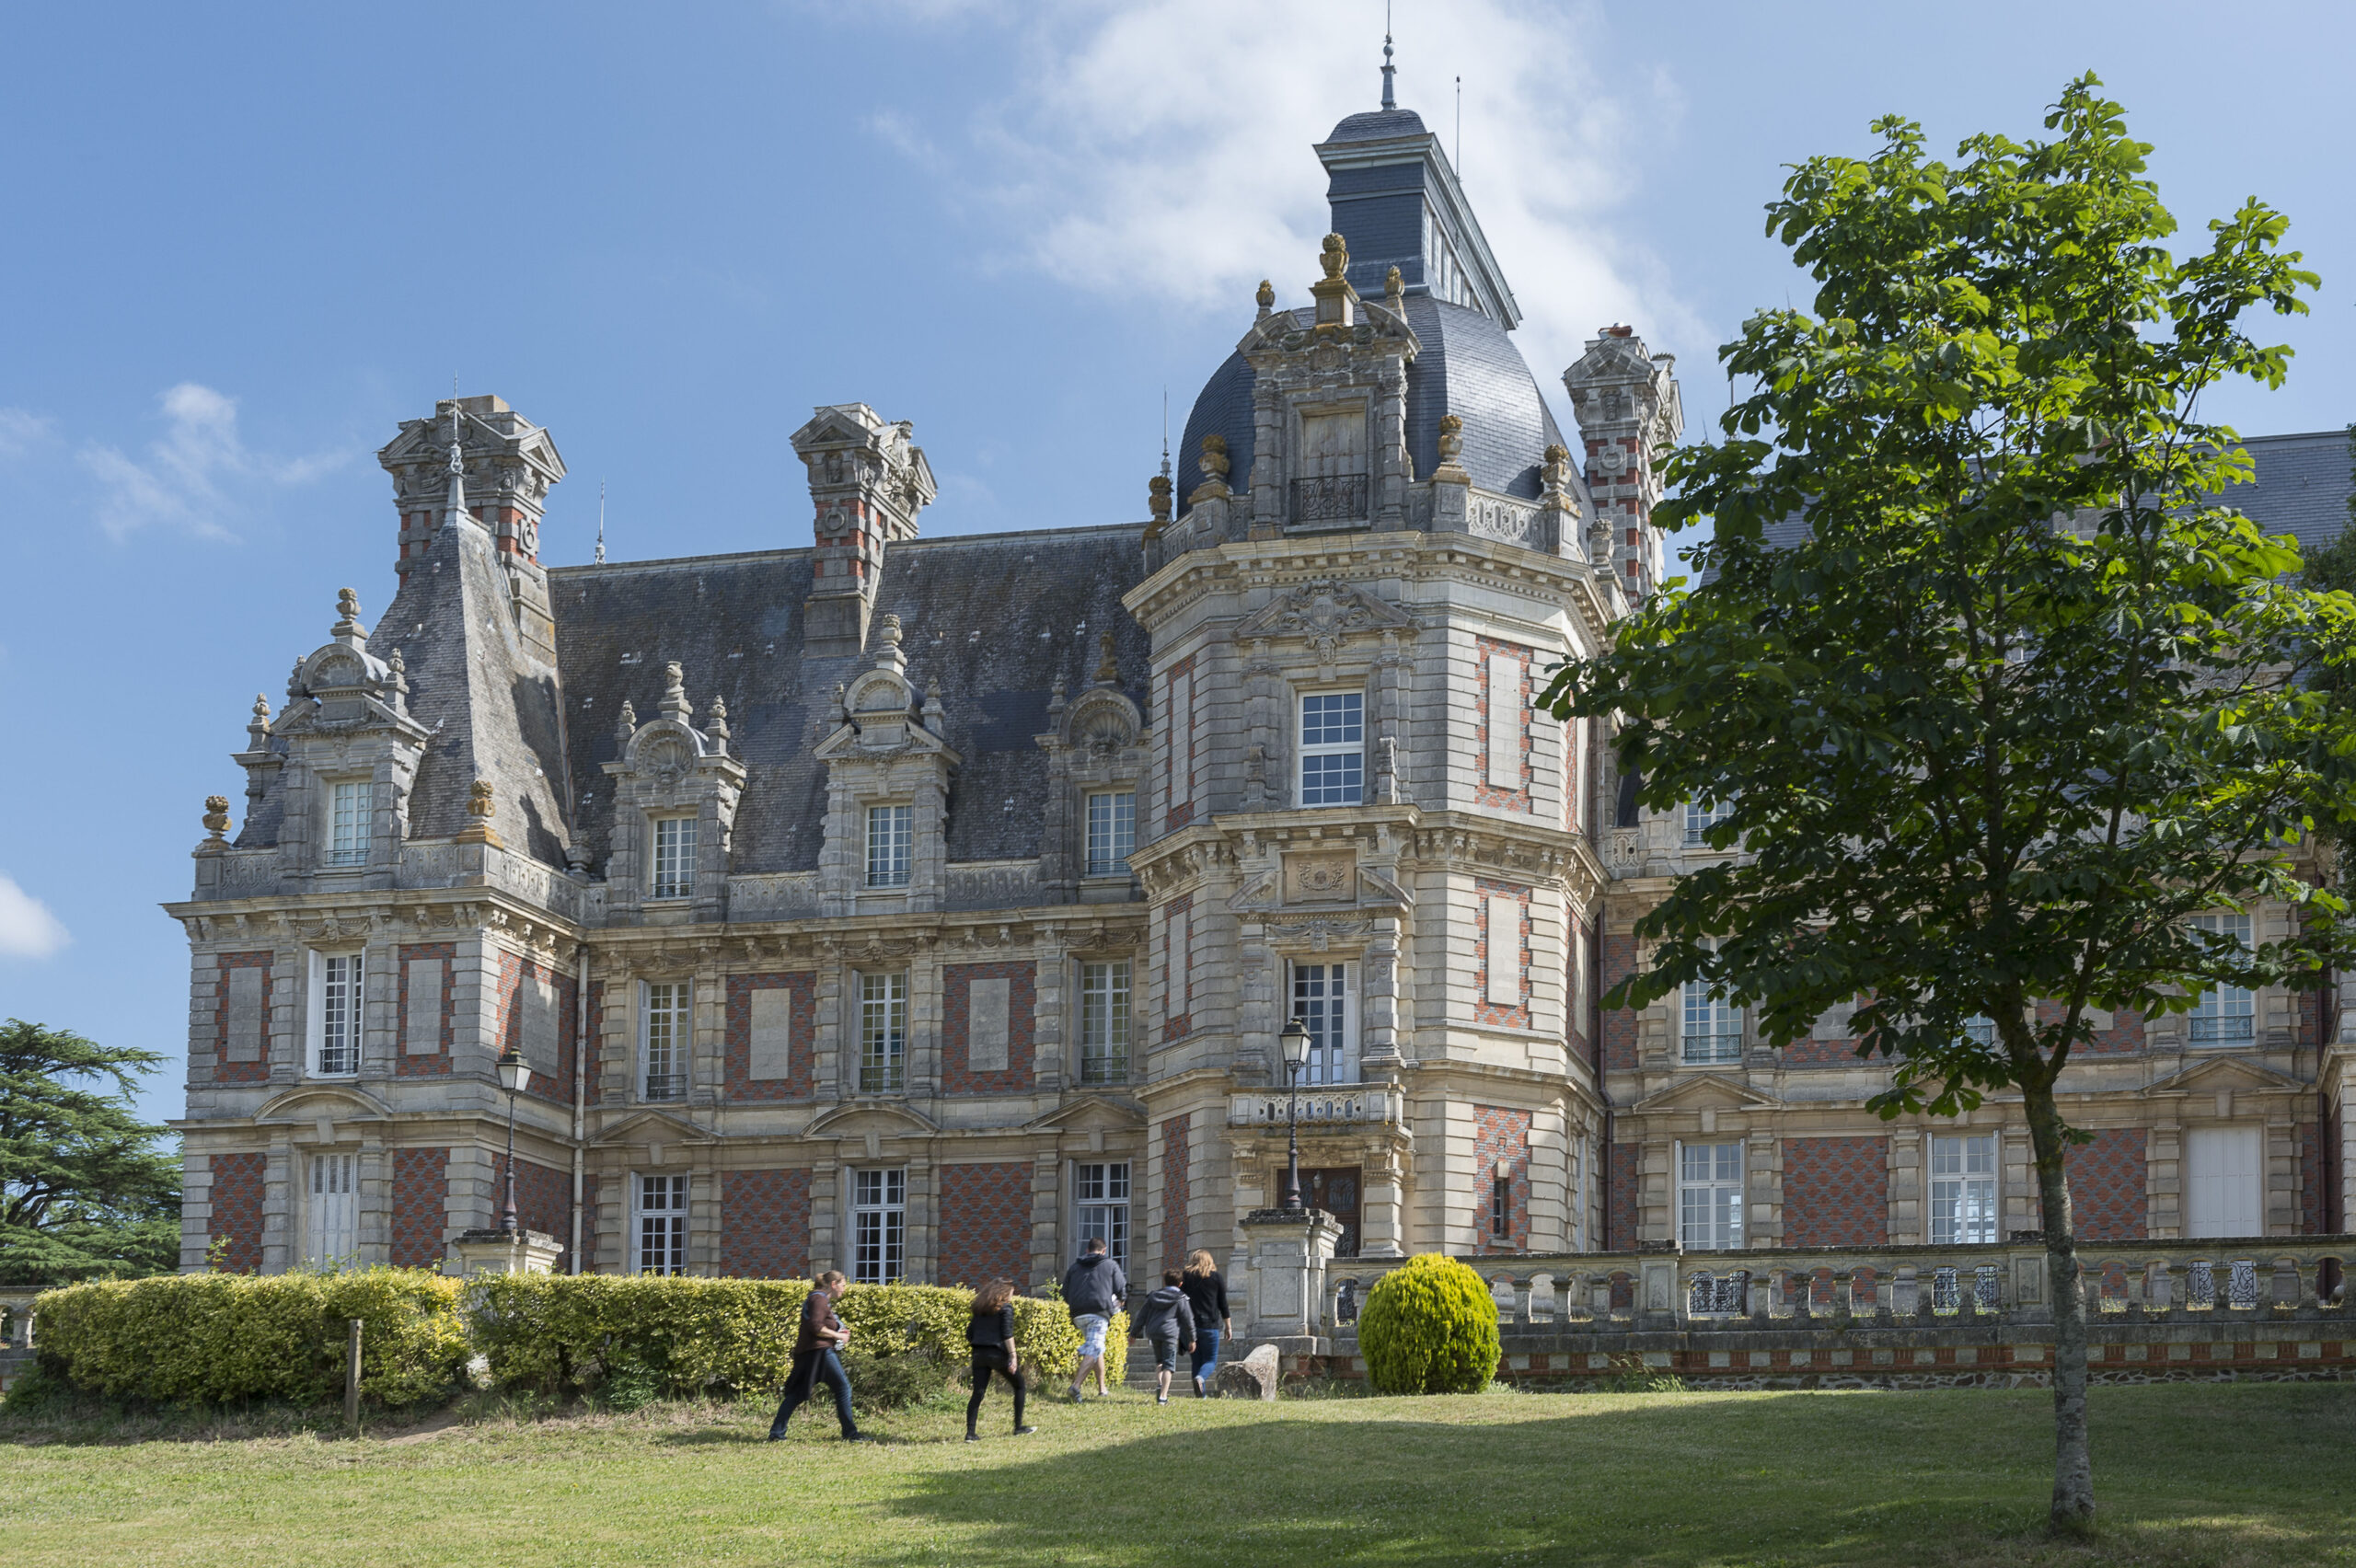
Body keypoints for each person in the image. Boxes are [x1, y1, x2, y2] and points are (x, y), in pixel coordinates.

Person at [768, 1271, 863, 1442]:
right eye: (842, 1285)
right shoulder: (818, 1299)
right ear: (833, 1284)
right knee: (843, 1388)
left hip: (810, 1353)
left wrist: (837, 1330)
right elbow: (816, 1327)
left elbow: (817, 1325)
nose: (844, 1289)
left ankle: (776, 1433)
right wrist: (839, 1336)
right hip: (820, 1352)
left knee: (797, 1394)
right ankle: (850, 1433)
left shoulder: (817, 1299)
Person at [964, 1277, 1037, 1442]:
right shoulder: (1006, 1309)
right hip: (997, 1354)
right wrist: (1013, 1356)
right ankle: (1018, 1427)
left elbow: (969, 1334)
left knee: (978, 1393)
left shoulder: (979, 1309)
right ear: (1004, 1293)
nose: (1013, 1295)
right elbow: (1007, 1334)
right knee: (1019, 1385)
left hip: (979, 1354)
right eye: (1012, 1292)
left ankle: (970, 1433)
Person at [1060, 1237, 1126, 1401]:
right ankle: (1075, 1387)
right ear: (1104, 1251)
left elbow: (1065, 1292)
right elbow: (1122, 1291)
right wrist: (1119, 1303)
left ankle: (1102, 1388)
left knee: (1097, 1347)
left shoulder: (1075, 1267)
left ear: (1087, 1250)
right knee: (1093, 1348)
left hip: (1078, 1314)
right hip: (1099, 1313)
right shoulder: (1110, 1265)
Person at [1135, 1269, 1196, 1405]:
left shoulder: (1153, 1296)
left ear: (1164, 1282)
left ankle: (1159, 1384)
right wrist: (1192, 1338)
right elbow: (1188, 1319)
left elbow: (1142, 1316)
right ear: (1180, 1284)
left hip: (1154, 1332)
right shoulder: (1180, 1298)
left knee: (1160, 1362)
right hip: (1170, 1333)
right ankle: (1163, 1396)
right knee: (1169, 1365)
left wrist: (1133, 1333)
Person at [1179, 1249, 1231, 1398]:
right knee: (1210, 1360)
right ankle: (1201, 1379)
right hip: (1210, 1326)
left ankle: (1200, 1396)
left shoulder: (1185, 1277)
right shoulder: (1216, 1278)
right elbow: (1223, 1304)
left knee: (1196, 1361)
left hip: (1190, 1327)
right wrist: (1228, 1326)